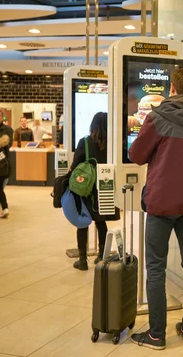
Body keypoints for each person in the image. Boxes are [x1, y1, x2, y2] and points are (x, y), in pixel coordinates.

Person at [129, 68, 183, 350]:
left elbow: (136, 155)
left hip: (160, 202)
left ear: (172, 88)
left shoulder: (157, 118)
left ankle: (157, 334)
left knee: (155, 267)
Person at [70, 112, 109, 271]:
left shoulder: (84, 142)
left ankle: (82, 260)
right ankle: (102, 256)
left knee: (82, 223)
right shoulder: (112, 143)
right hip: (103, 187)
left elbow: (75, 166)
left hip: (85, 188)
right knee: (101, 222)